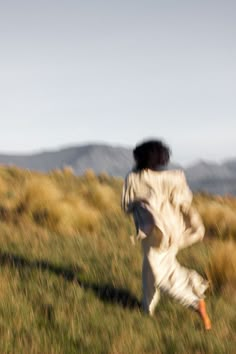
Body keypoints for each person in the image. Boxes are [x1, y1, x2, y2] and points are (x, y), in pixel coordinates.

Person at [121, 139, 211, 330]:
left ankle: (196, 301)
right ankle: (147, 309)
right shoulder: (174, 177)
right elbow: (185, 200)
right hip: (174, 229)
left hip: (156, 233)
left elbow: (127, 204)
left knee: (161, 273)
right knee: (149, 269)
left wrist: (144, 207)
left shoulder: (135, 178)